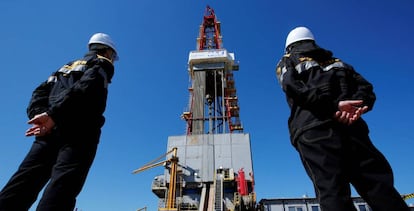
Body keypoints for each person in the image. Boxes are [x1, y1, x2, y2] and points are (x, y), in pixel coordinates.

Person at [275, 26, 409, 211]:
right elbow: (367, 89)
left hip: (315, 130)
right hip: (352, 128)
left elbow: (292, 87)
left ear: (289, 47)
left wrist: (333, 107)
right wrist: (356, 109)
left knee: (332, 191)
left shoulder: (288, 60)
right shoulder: (339, 63)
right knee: (378, 186)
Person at [0, 32, 118, 211]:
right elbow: (89, 87)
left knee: (23, 182)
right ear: (108, 51)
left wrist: (44, 116)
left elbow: (38, 93)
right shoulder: (102, 62)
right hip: (80, 131)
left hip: (49, 130)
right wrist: (54, 115)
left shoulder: (64, 68)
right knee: (62, 187)